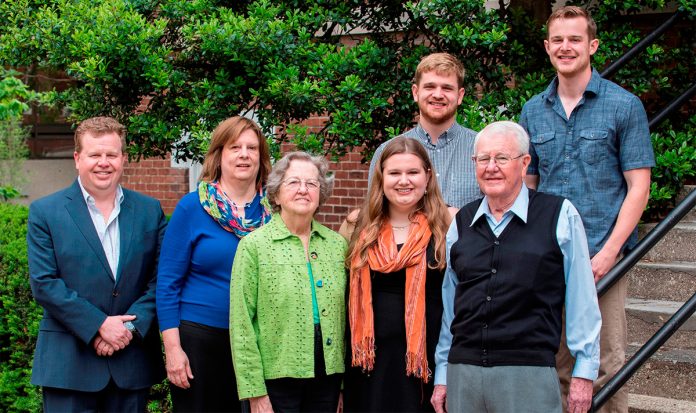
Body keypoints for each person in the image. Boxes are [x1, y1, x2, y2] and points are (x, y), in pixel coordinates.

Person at [519, 6, 655, 412]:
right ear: (547, 47)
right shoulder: (532, 111)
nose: (566, 47)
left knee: (605, 364)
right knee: (557, 361)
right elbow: (529, 185)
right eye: (558, 40)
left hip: (602, 254)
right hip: (551, 255)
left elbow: (639, 186)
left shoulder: (623, 106)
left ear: (592, 45)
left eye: (575, 39)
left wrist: (610, 252)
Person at [433, 121, 601, 413]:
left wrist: (584, 371)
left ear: (524, 164)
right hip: (464, 373)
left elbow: (582, 299)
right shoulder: (461, 223)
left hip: (528, 373)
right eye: (483, 159)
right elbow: (452, 307)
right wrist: (444, 373)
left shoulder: (559, 215)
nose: (491, 167)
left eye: (501, 158)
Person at [27, 116, 166, 412]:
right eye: (95, 154)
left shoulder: (149, 211)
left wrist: (129, 329)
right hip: (69, 365)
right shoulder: (45, 212)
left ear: (123, 159)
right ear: (78, 158)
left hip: (130, 365)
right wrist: (99, 325)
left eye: (111, 155)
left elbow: (161, 280)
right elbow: (44, 283)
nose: (104, 162)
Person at [156, 116, 272, 412]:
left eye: (252, 148)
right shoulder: (192, 208)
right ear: (219, 155)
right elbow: (168, 285)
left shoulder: (275, 211)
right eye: (235, 147)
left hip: (260, 343)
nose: (244, 154)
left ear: (261, 157)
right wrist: (173, 350)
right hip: (200, 341)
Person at [340, 136, 456, 412]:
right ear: (381, 178)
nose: (404, 180)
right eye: (394, 173)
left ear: (427, 177)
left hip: (424, 366)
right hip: (367, 365)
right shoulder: (357, 226)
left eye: (413, 172)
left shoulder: (448, 225)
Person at [230, 151, 347, 413]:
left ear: (321, 193)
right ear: (276, 193)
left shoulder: (337, 245)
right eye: (293, 182)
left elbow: (344, 320)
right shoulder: (254, 247)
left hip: (327, 374)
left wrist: (341, 386)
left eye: (312, 183)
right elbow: (241, 324)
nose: (303, 190)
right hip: (276, 377)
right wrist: (255, 392)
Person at [368, 52, 480, 207]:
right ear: (416, 92)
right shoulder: (385, 152)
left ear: (460, 96)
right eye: (430, 86)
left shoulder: (482, 151)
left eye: (447, 88)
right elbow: (374, 213)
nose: (438, 95)